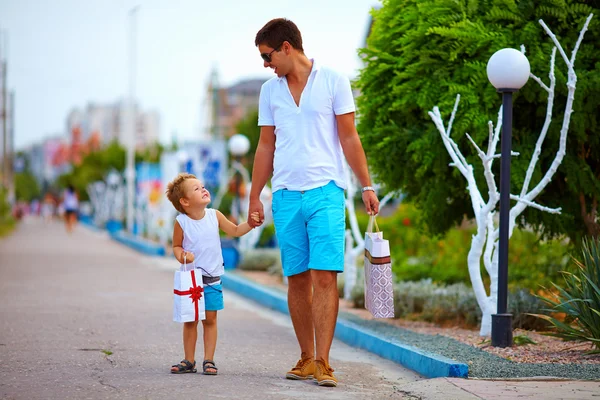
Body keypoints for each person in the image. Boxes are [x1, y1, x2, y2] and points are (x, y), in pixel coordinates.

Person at [248, 18, 380, 388]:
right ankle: (306, 357)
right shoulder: (269, 91)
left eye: (268, 55)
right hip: (287, 193)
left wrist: (366, 185)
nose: (266, 63)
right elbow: (265, 145)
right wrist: (254, 194)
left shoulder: (334, 81)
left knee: (324, 276)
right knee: (296, 279)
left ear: (287, 47)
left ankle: (324, 361)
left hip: (326, 190)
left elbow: (349, 138)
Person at [165, 172, 260, 375]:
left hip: (212, 280)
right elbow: (175, 246)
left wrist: (250, 225)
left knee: (210, 320)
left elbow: (234, 230)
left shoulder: (214, 216)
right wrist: (182, 255)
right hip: (192, 282)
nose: (203, 189)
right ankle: (189, 360)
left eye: (203, 186)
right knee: (190, 321)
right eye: (197, 189)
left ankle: (209, 360)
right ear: (185, 201)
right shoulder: (181, 222)